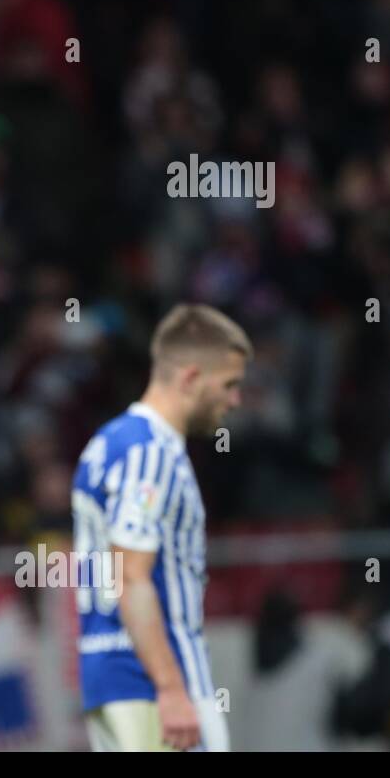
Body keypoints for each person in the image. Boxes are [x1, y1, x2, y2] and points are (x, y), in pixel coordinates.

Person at [72, 304, 252, 751]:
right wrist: (171, 689)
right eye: (229, 384)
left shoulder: (108, 443)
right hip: (152, 684)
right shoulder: (149, 454)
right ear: (191, 377)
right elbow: (132, 575)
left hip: (108, 678)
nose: (235, 400)